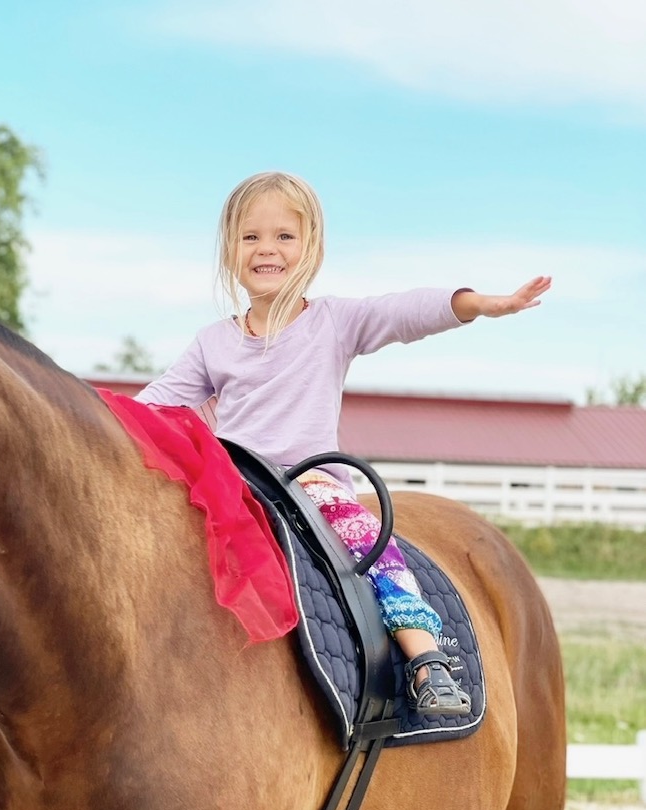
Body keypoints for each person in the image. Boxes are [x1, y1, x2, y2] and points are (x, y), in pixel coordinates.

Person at [135, 170, 551, 715]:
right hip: (234, 484)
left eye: (284, 236)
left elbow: (406, 312)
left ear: (310, 248)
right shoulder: (214, 342)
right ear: (230, 250)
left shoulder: (334, 322)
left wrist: (477, 304)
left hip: (308, 481)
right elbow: (152, 406)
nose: (267, 250)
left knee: (364, 538)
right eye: (251, 237)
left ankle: (425, 658)